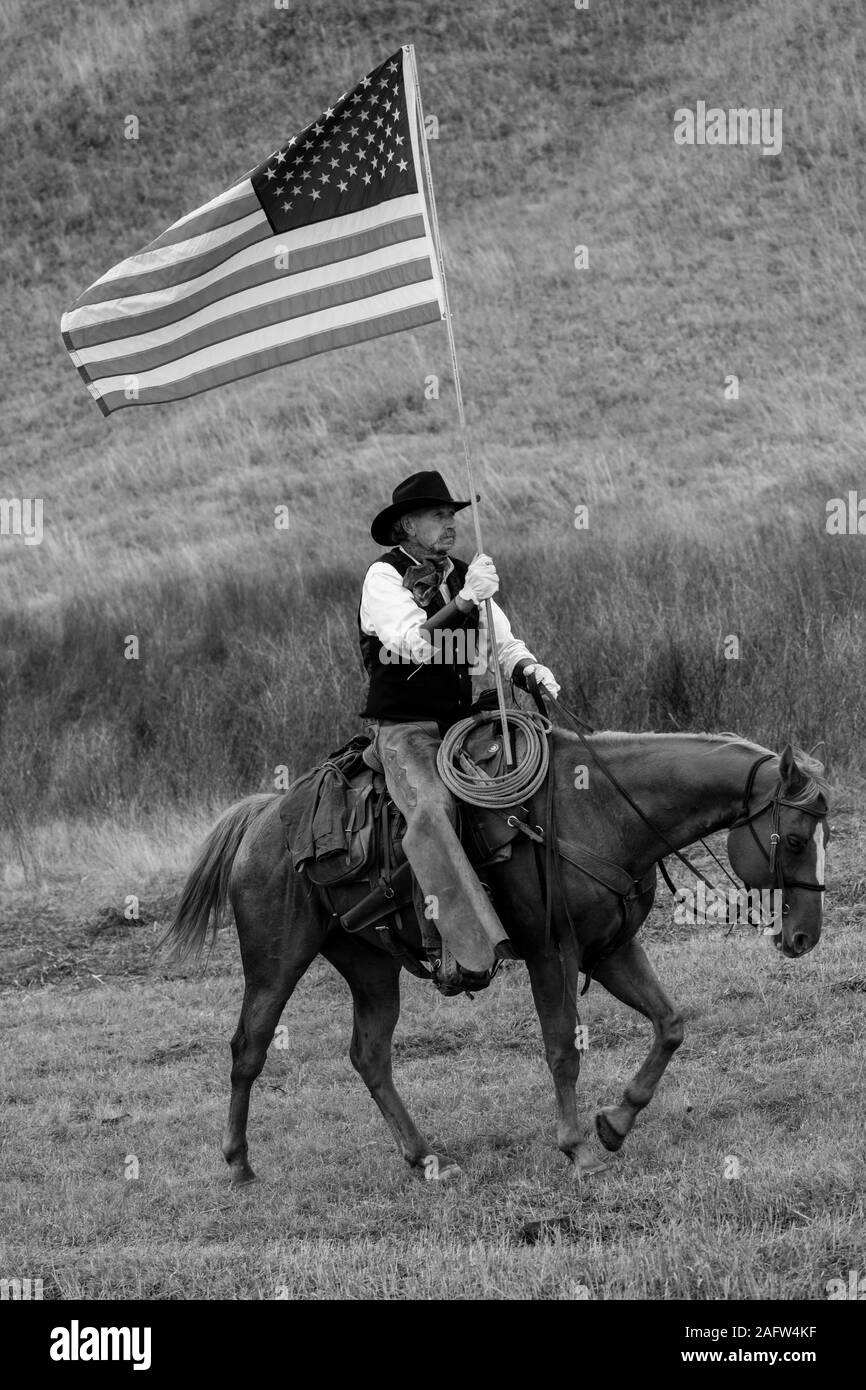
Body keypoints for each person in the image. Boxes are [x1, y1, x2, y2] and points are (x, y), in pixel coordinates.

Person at [358, 470, 560, 992]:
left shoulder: (469, 573)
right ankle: (465, 951)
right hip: (406, 731)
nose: (450, 525)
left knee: (536, 774)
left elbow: (501, 644)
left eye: (452, 516)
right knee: (432, 808)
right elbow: (413, 646)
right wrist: (466, 601)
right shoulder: (382, 578)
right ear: (407, 525)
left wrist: (529, 669)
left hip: (464, 725)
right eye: (438, 516)